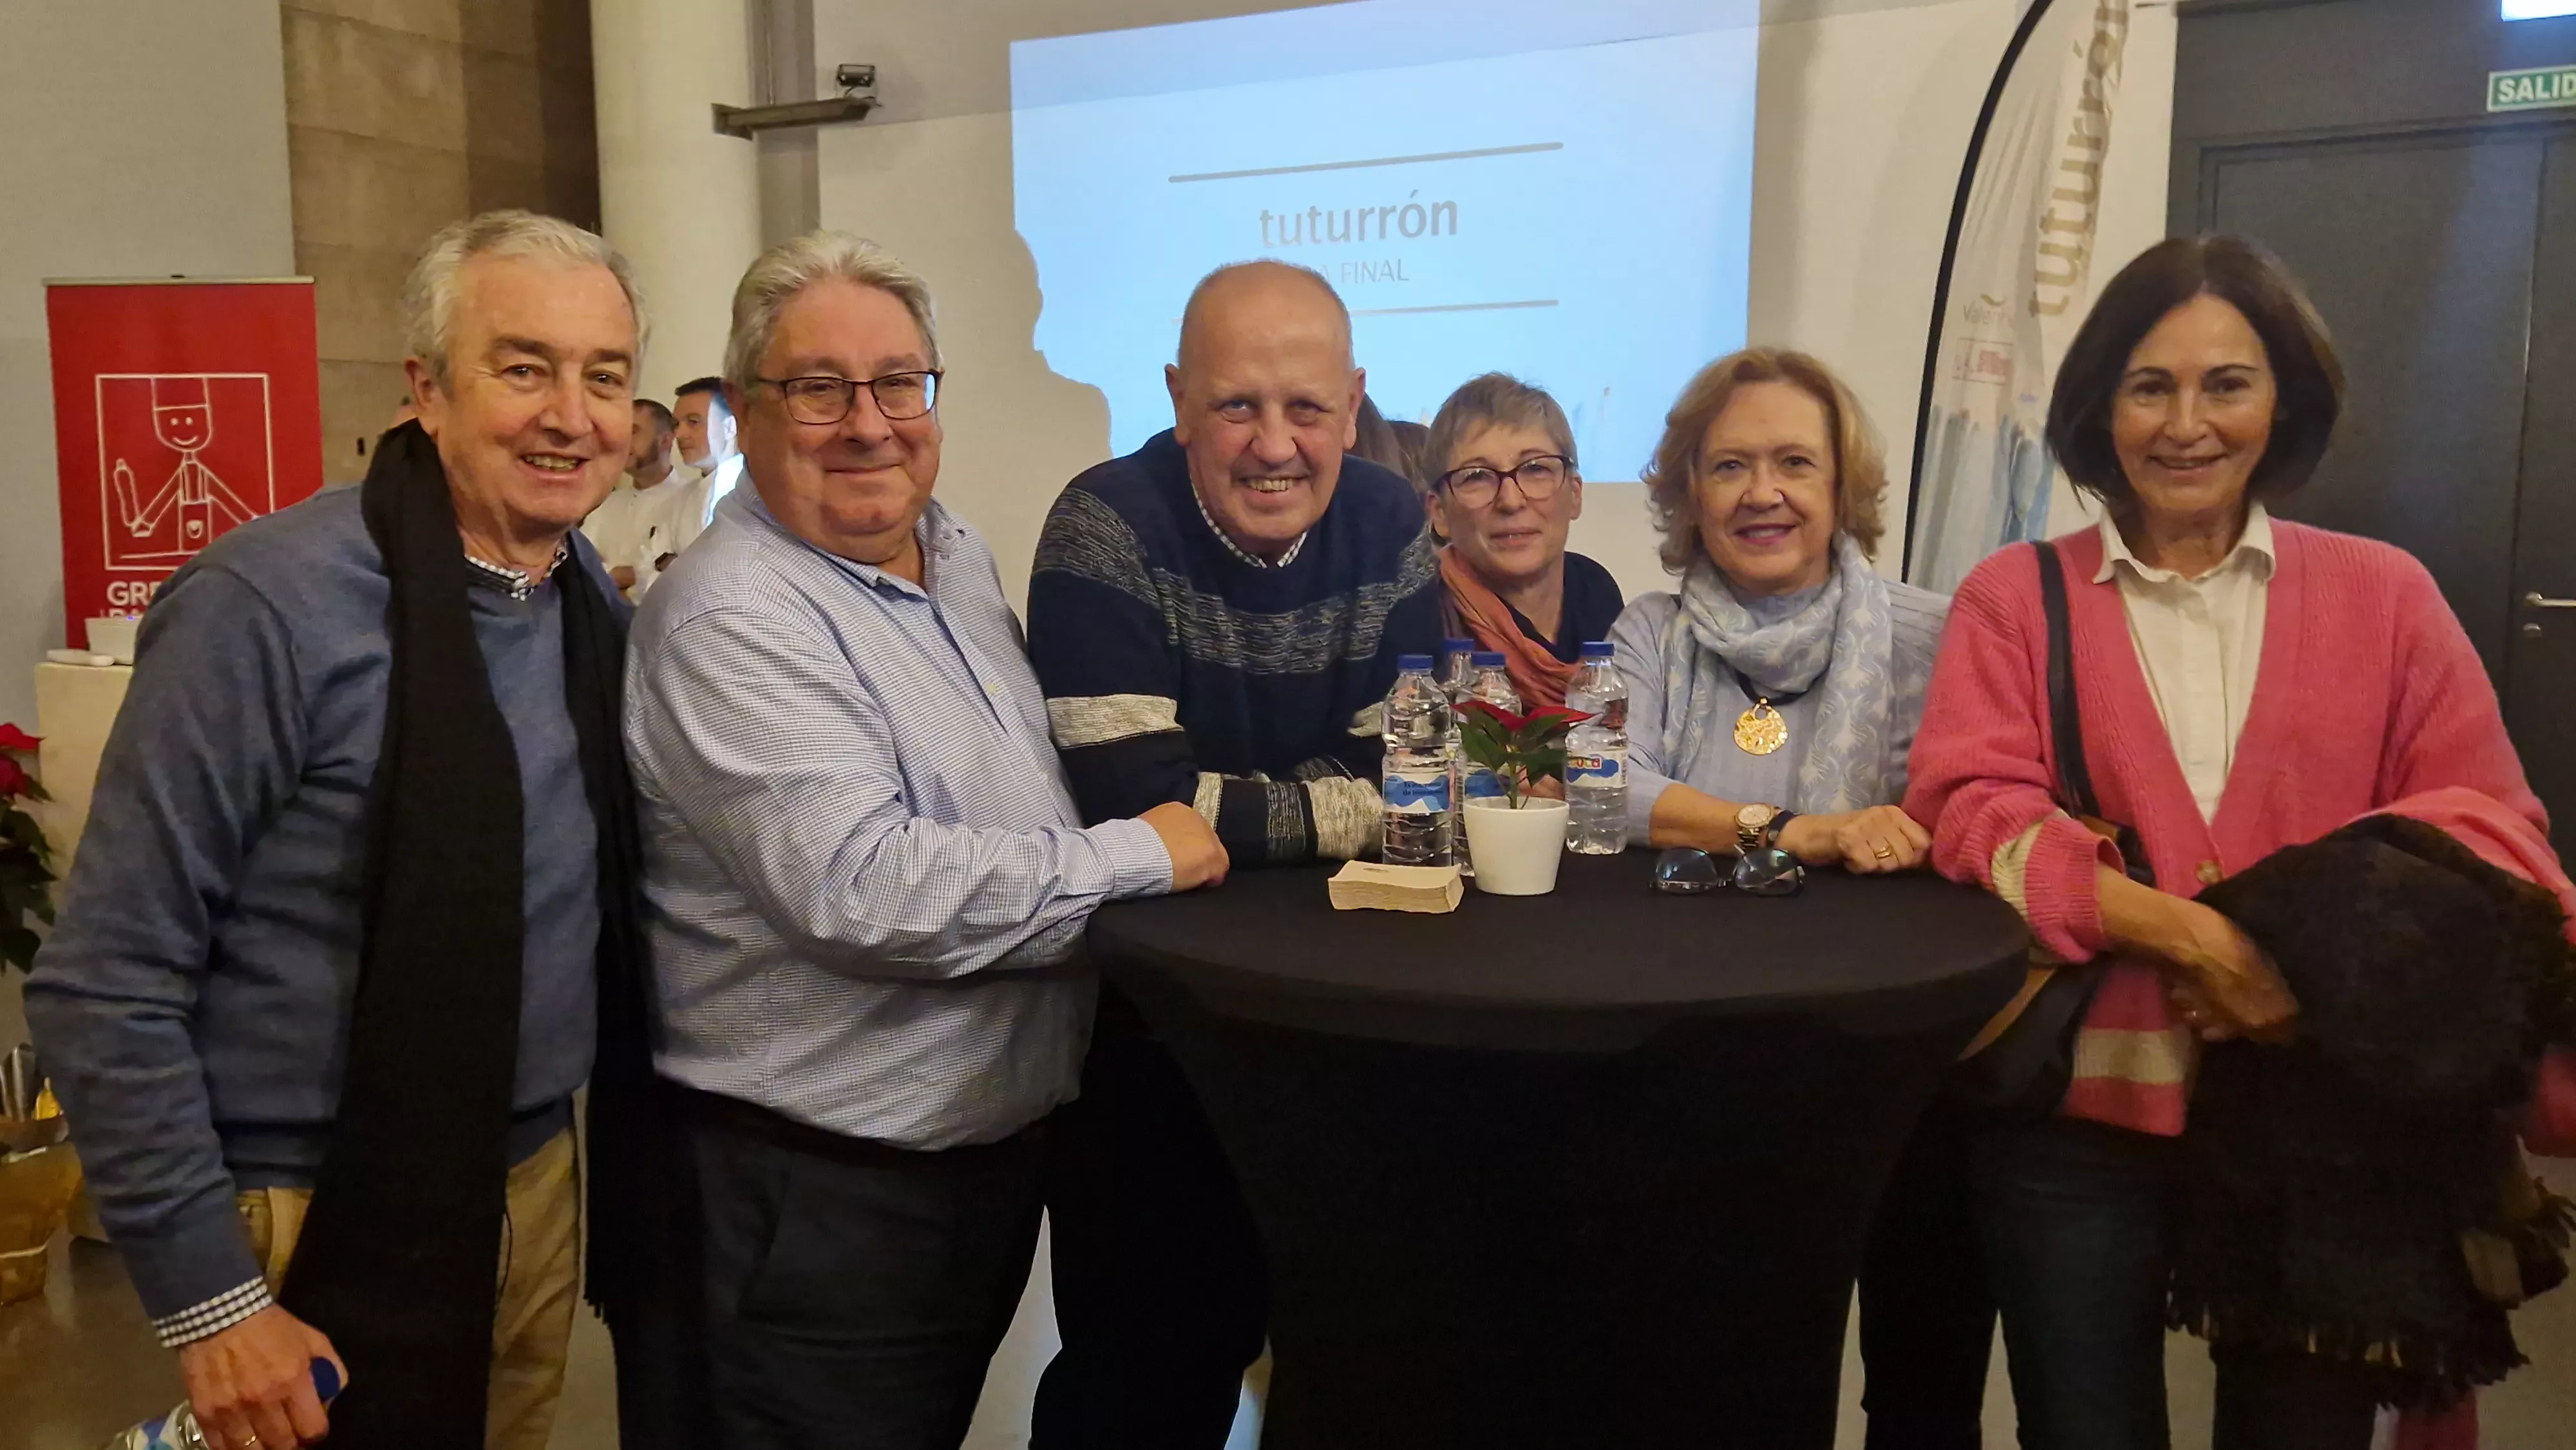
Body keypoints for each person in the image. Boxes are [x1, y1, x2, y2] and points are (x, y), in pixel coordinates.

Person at [24, 210, 661, 1450]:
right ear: (424, 388)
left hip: (529, 1183)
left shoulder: (579, 594)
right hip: (305, 1205)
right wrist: (215, 1303)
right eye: (523, 366)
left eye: (605, 375)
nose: (571, 416)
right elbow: (105, 977)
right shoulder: (268, 608)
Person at [1904, 235, 2547, 1450]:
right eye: (2150, 385)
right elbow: (1974, 814)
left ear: (2286, 398)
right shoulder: (2012, 594)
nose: (2186, 423)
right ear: (2101, 406)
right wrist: (2194, 934)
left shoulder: (2387, 594)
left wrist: (2310, 977)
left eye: (2227, 383)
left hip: (2326, 1114)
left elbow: (2488, 828)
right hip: (2081, 1116)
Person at [623, 231, 1229, 1448]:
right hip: (822, 1202)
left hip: (970, 1171)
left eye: (901, 382)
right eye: (819, 387)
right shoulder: (734, 616)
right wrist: (1141, 851)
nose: (870, 422)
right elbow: (864, 885)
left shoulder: (952, 555)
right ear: (746, 409)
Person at [1025, 259, 1443, 1447]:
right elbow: (1133, 798)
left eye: (1307, 407)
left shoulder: (1391, 519)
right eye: (1236, 405)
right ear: (1174, 395)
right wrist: (1325, 803)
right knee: (1146, 1382)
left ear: (1353, 404)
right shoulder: (1103, 524)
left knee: (1348, 1372)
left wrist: (1218, 814)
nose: (1276, 444)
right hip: (1155, 1046)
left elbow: (1410, 787)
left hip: (1347, 1040)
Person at [1605, 346, 1980, 1447]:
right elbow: (1606, 791)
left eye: (1792, 463)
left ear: (1841, 485)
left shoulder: (1939, 634)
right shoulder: (1649, 633)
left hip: (1899, 1062)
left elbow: (1975, 814)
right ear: (1686, 492)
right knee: (1724, 1370)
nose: (1761, 492)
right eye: (1728, 465)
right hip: (1695, 1062)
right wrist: (1793, 831)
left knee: (1925, 1377)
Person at [1423, 373, 1623, 708]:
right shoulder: (1419, 616)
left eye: (1535, 470)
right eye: (1477, 477)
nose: (1511, 501)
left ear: (1575, 494)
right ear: (1439, 512)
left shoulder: (1596, 594)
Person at [584, 397, 698, 598]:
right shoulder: (606, 504)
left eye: (634, 431)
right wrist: (621, 575)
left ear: (665, 441)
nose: (623, 441)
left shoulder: (691, 503)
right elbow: (579, 569)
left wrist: (619, 581)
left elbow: (676, 580)